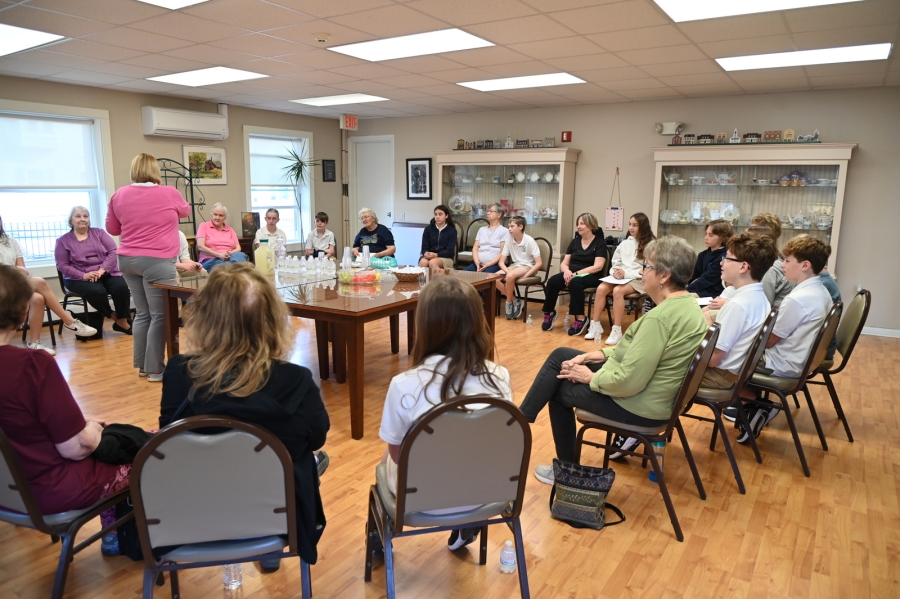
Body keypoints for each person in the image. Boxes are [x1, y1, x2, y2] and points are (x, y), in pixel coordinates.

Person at [159, 263, 330, 569]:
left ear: (207, 318)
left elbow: (171, 437)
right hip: (277, 517)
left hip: (192, 512)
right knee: (308, 456)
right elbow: (317, 437)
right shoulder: (297, 380)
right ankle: (265, 548)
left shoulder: (178, 372)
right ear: (271, 321)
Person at [519, 236, 708, 481]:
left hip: (641, 405)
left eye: (647, 267)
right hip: (658, 399)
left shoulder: (659, 319)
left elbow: (628, 381)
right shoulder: (689, 304)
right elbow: (637, 353)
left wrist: (591, 378)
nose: (641, 272)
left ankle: (565, 472)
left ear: (664, 276)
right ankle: (520, 419)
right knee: (562, 355)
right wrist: (594, 355)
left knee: (558, 391)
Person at [0, 265, 127, 556]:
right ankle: (117, 538)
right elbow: (76, 448)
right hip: (46, 490)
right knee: (143, 453)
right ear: (23, 313)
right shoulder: (31, 365)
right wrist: (94, 428)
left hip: (7, 490)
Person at [379, 275, 512, 551]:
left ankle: (380, 542)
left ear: (425, 325)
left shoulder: (404, 385)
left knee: (388, 455)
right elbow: (498, 443)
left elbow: (397, 455)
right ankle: (467, 523)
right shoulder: (499, 377)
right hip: (486, 494)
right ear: (479, 322)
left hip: (420, 499)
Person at [735, 235, 834, 442]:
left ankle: (756, 405)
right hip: (799, 360)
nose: (782, 265)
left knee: (723, 359)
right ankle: (753, 407)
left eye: (788, 261)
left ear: (805, 265)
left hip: (780, 364)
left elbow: (769, 341)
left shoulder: (798, 299)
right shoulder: (820, 291)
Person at [106, 153, 192, 381]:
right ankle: (155, 370)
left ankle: (144, 366)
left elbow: (113, 229)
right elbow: (186, 211)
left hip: (127, 260)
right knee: (161, 315)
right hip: (157, 261)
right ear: (156, 171)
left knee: (143, 314)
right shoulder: (169, 193)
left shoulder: (119, 195)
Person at [0, 215, 96, 356]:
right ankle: (69, 321)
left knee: (38, 298)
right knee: (40, 282)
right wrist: (13, 270)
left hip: (13, 285)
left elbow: (23, 270)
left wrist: (14, 270)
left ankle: (34, 343)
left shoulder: (11, 242)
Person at [700, 232, 778, 393]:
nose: (722, 263)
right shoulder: (759, 297)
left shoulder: (737, 305)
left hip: (718, 375)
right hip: (733, 372)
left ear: (743, 266)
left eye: (727, 258)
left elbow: (712, 360)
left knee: (661, 369)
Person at [55, 206, 132, 335]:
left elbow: (113, 252)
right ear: (71, 220)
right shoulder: (63, 241)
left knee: (121, 287)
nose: (82, 219)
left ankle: (123, 321)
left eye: (85, 216)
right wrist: (83, 275)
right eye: (78, 216)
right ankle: (114, 317)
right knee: (97, 291)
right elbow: (62, 265)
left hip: (105, 272)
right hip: (78, 277)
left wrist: (102, 270)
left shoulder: (99, 233)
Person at [585, 213, 655, 345]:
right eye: (630, 224)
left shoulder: (651, 245)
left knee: (618, 291)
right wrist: (615, 272)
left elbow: (645, 270)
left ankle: (616, 330)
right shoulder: (625, 243)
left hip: (638, 279)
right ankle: (595, 325)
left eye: (635, 225)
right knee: (601, 288)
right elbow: (615, 263)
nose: (631, 228)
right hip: (622, 277)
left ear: (643, 227)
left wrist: (626, 274)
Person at [540, 213, 606, 335]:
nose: (579, 226)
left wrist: (574, 274)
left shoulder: (600, 243)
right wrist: (567, 272)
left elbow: (598, 266)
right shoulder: (574, 242)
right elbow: (564, 263)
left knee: (575, 283)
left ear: (591, 225)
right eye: (578, 224)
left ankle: (580, 318)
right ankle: (549, 313)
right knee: (553, 281)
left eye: (582, 223)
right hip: (572, 273)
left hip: (591, 275)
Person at [497, 216, 542, 320]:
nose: (509, 229)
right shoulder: (509, 240)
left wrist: (527, 274)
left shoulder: (529, 240)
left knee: (510, 276)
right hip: (514, 266)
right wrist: (508, 271)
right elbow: (501, 262)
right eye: (509, 226)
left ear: (521, 227)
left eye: (512, 226)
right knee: (492, 278)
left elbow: (539, 263)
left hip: (527, 266)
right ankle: (515, 300)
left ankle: (508, 302)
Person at [196, 203, 248, 272]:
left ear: (225, 217)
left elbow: (238, 248)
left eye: (221, 215)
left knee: (240, 255)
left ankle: (239, 272)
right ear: (211, 215)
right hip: (211, 259)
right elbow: (200, 246)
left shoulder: (230, 229)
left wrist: (230, 253)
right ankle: (240, 274)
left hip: (230, 257)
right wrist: (219, 255)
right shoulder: (204, 226)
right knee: (228, 266)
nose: (217, 217)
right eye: (215, 214)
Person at [687, 219, 732, 298]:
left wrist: (685, 291)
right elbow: (693, 276)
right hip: (701, 289)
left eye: (710, 235)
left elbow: (706, 280)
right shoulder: (702, 255)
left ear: (722, 238)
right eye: (706, 234)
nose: (706, 238)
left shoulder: (723, 257)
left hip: (713, 294)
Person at [464, 202, 509, 273]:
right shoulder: (482, 229)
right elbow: (475, 248)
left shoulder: (504, 231)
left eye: (491, 211)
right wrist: (477, 262)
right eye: (487, 211)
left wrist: (488, 264)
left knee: (484, 276)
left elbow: (502, 252)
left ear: (499, 214)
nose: (488, 213)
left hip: (494, 264)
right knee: (463, 273)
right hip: (479, 264)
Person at [418, 205, 457, 269]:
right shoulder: (428, 229)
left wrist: (437, 255)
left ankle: (439, 279)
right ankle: (423, 279)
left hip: (445, 257)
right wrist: (425, 253)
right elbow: (424, 247)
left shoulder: (452, 231)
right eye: (435, 214)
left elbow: (449, 251)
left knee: (433, 262)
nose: (437, 217)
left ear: (446, 216)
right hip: (430, 256)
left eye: (440, 214)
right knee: (423, 262)